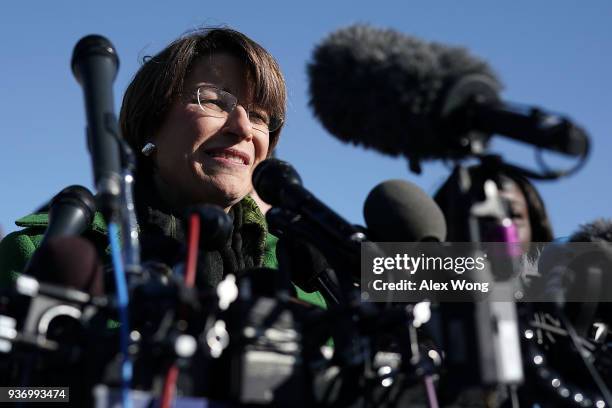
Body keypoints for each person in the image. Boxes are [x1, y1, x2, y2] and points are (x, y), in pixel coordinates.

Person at [0, 27, 325, 307]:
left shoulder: (312, 268)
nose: (243, 128)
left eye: (258, 116)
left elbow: (376, 316)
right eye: (214, 100)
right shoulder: (40, 254)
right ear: (152, 121)